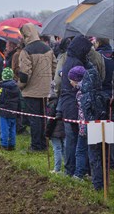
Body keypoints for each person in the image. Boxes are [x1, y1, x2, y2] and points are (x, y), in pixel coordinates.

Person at [57, 35, 92, 177]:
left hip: (66, 102)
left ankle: (70, 169)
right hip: (73, 103)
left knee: (71, 138)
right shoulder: (77, 63)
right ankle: (75, 170)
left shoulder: (68, 60)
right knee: (76, 139)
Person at [17, 23, 56, 152]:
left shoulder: (26, 51)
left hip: (32, 91)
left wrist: (20, 86)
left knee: (35, 120)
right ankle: (44, 144)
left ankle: (35, 146)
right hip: (46, 91)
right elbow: (54, 67)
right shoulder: (48, 49)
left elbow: (24, 74)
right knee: (44, 119)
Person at [0, 67, 22, 151]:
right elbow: (19, 100)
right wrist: (18, 112)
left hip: (4, 112)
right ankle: (12, 144)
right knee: (12, 129)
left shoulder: (2, 88)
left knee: (4, 129)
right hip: (14, 111)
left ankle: (4, 144)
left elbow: (0, 100)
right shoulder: (16, 88)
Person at [46, 82, 65, 173]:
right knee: (65, 149)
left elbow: (50, 121)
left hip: (54, 131)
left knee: (57, 149)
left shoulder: (51, 105)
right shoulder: (62, 101)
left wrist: (47, 133)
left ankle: (57, 169)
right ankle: (68, 168)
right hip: (64, 129)